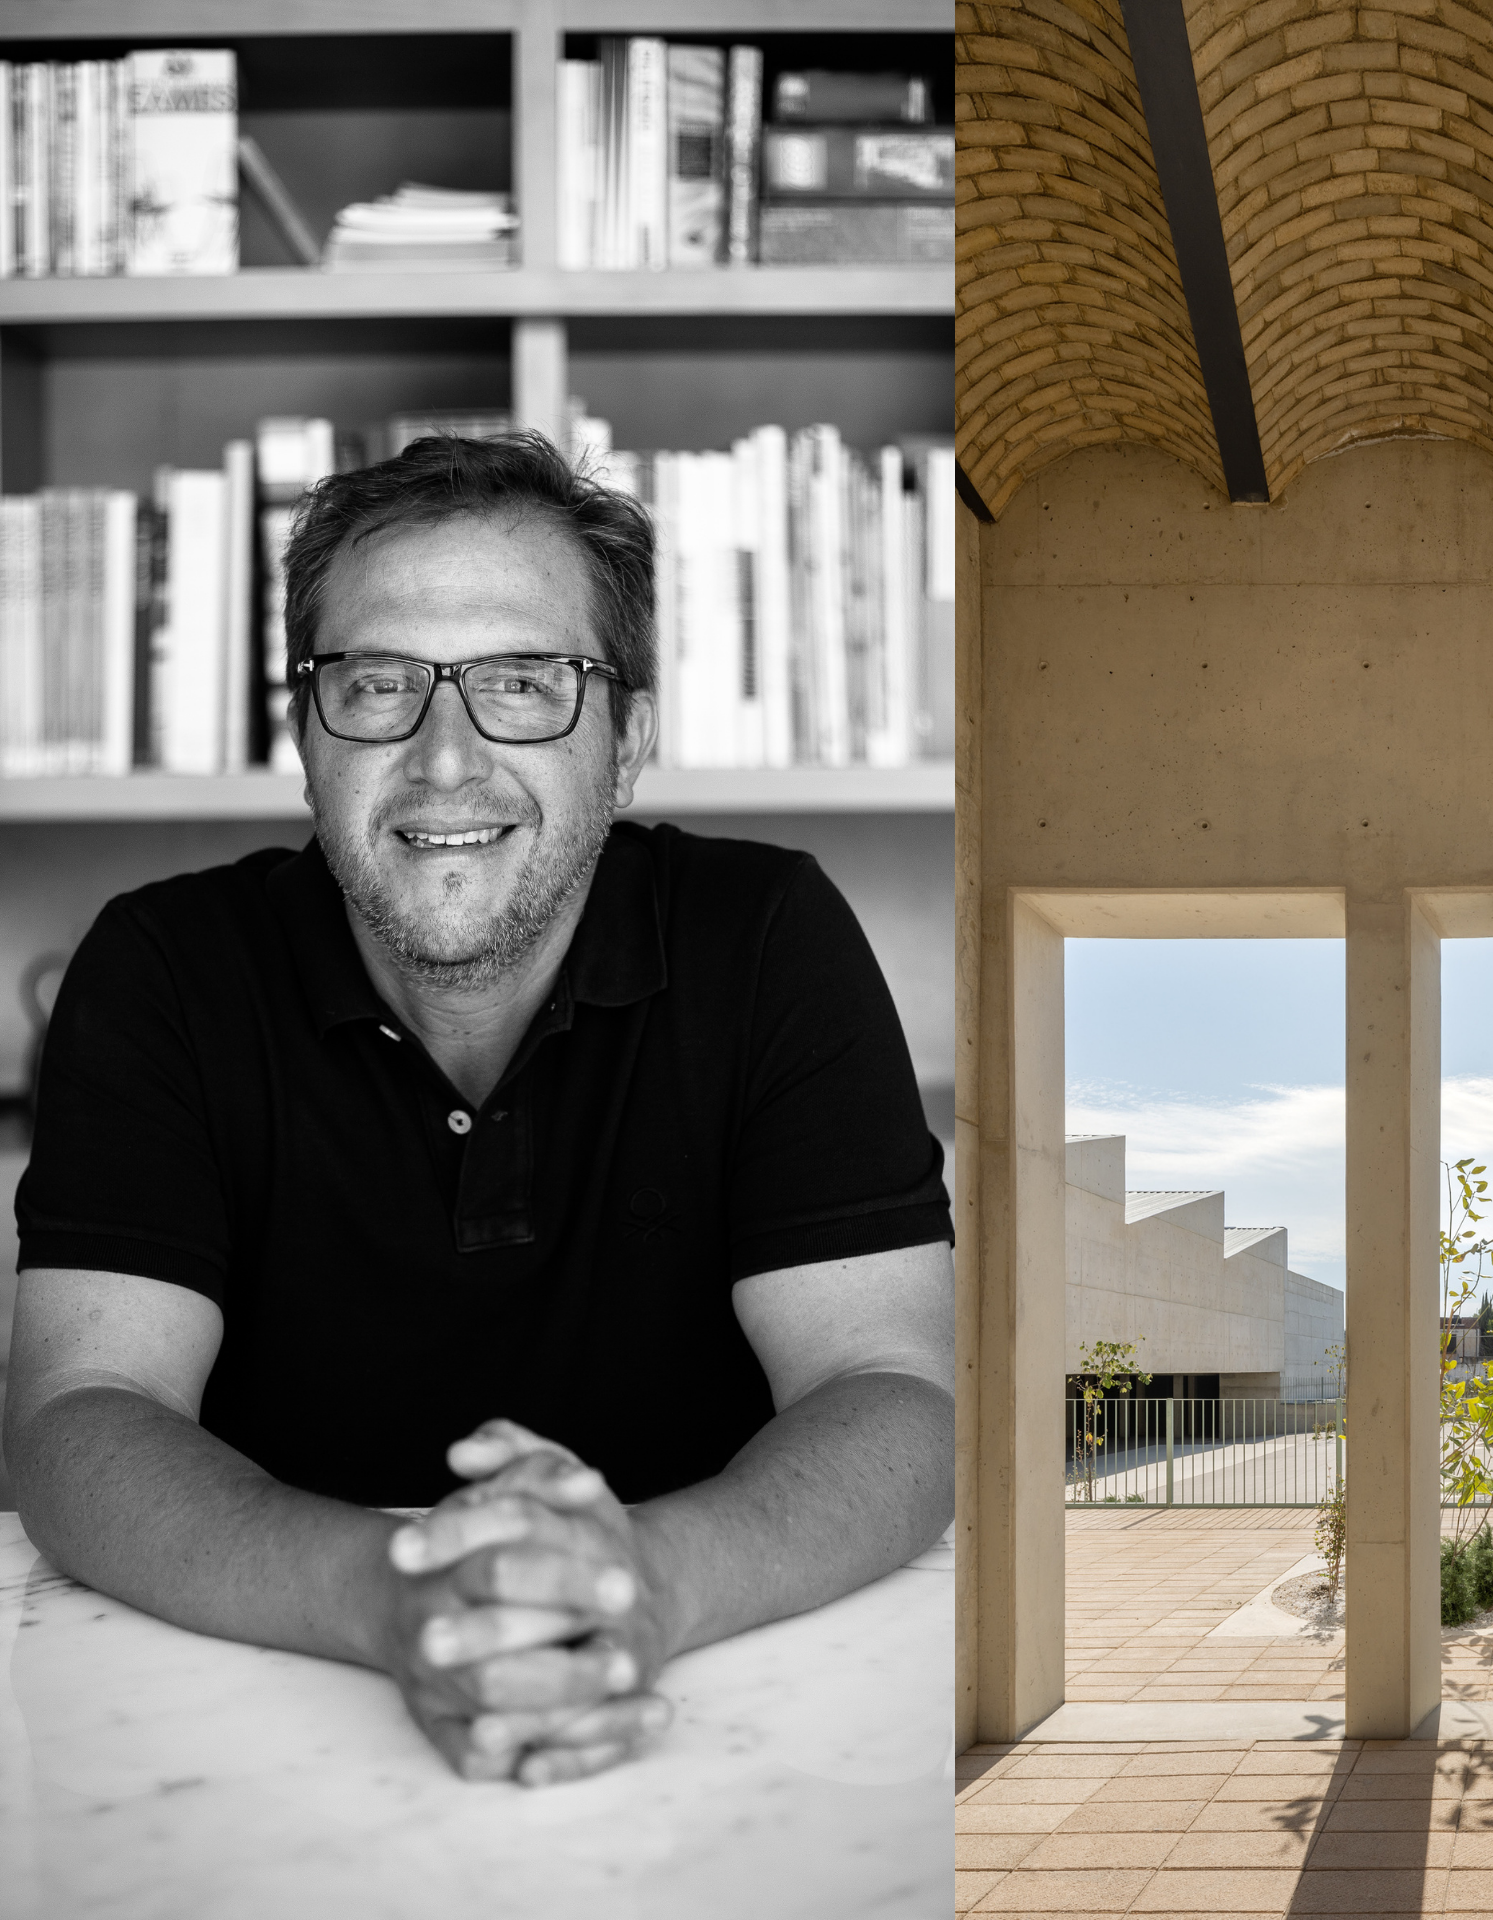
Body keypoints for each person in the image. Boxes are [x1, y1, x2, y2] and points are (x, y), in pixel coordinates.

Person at [5, 434, 954, 1788]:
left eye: (522, 682)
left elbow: (896, 1385)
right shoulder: (160, 969)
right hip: (256, 1721)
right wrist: (393, 1596)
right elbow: (80, 1413)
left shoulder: (768, 937)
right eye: (378, 684)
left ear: (627, 740)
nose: (445, 758)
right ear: (307, 735)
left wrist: (654, 1581)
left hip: (728, 1707)